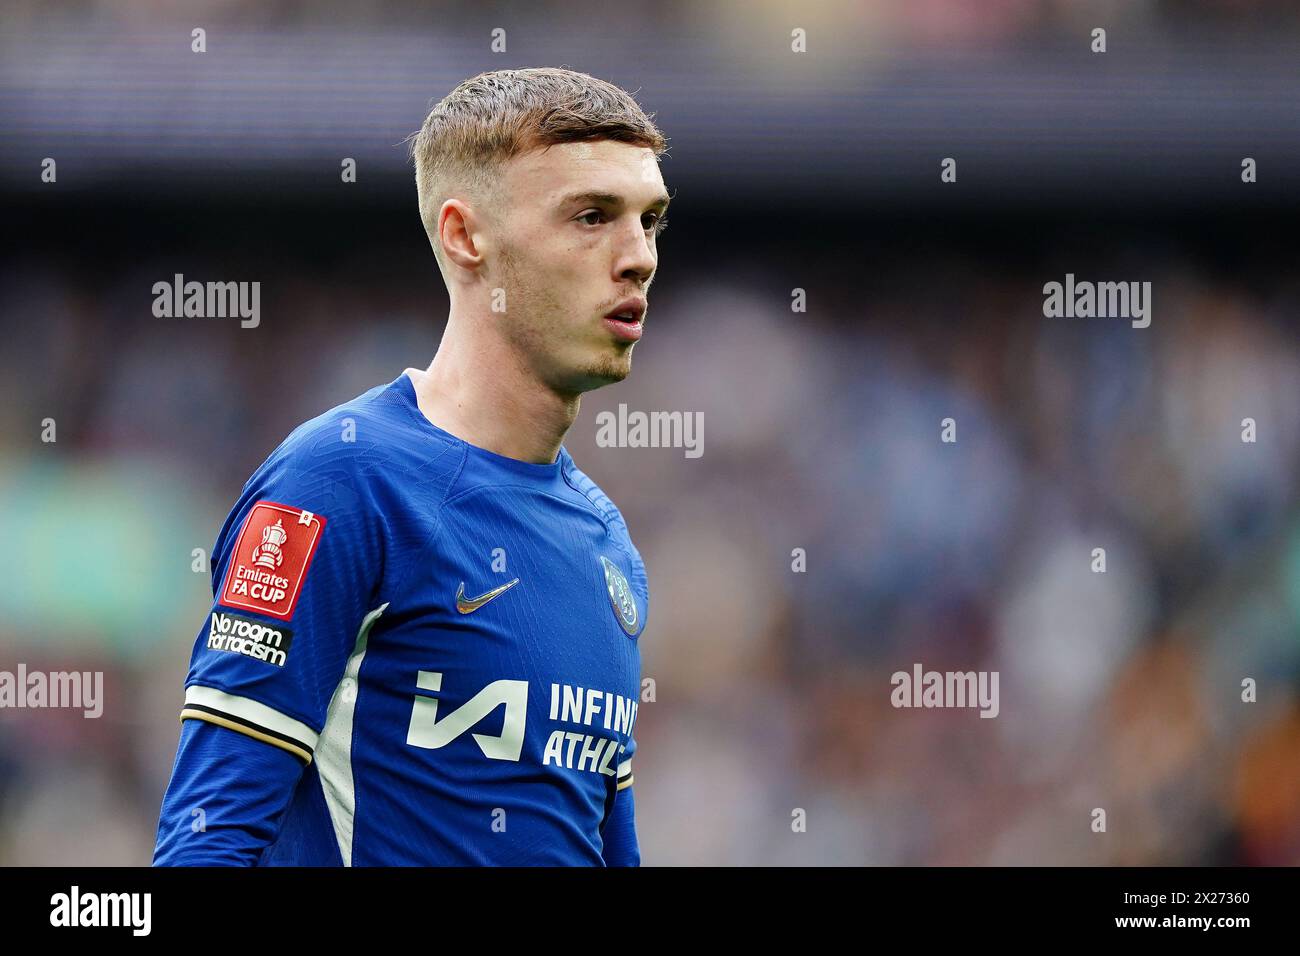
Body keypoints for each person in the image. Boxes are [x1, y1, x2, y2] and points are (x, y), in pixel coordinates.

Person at [153, 67, 670, 865]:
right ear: (466, 238)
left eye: (651, 221)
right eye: (592, 217)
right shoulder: (339, 483)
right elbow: (208, 837)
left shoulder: (606, 542)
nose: (638, 257)